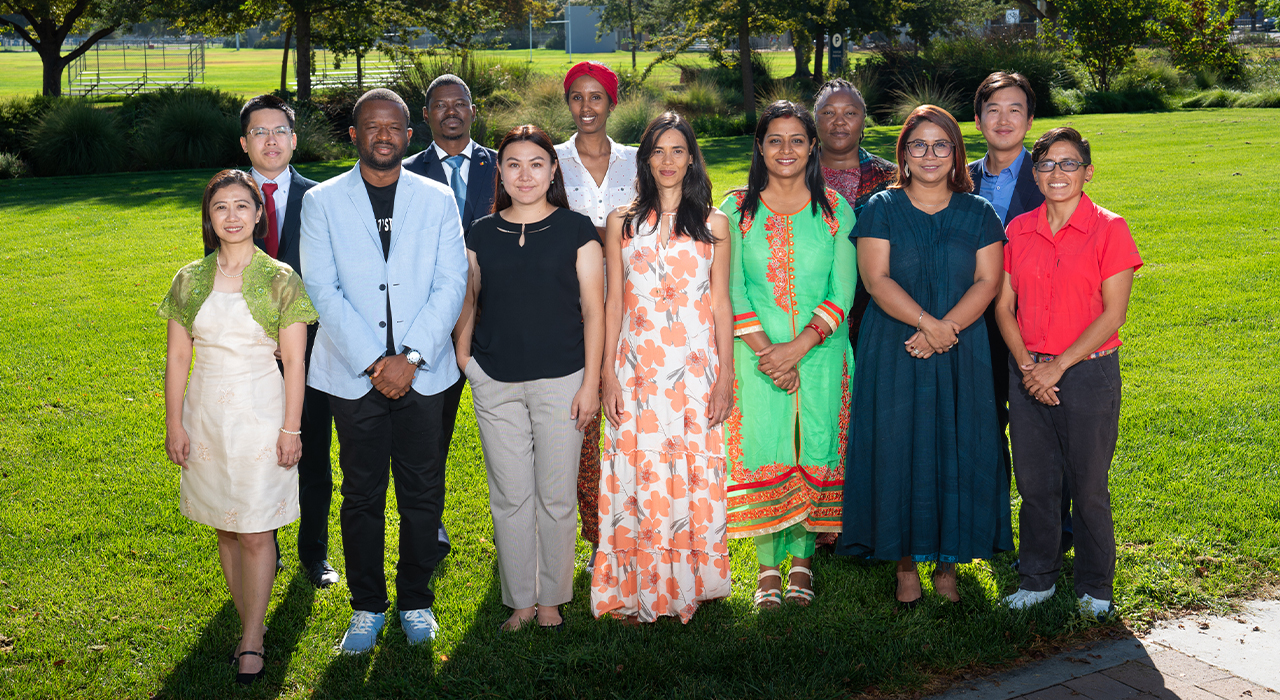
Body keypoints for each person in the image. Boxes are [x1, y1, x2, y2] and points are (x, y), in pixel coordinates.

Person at [299, 88, 467, 653]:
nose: (383, 136)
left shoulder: (438, 198)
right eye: (371, 127)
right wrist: (376, 362)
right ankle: (368, 606)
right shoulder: (321, 201)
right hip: (353, 374)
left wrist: (412, 357)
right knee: (362, 494)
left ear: (408, 134)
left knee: (423, 491)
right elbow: (321, 289)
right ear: (354, 135)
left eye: (392, 126)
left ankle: (416, 600)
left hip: (425, 373)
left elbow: (451, 284)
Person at [836, 105, 1012, 605]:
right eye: (919, 145)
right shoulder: (880, 207)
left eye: (941, 145)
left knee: (958, 444)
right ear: (904, 155)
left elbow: (988, 281)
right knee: (898, 447)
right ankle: (905, 563)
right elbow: (876, 279)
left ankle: (950, 565)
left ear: (956, 154)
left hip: (962, 347)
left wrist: (947, 329)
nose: (930, 155)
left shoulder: (979, 213)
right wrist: (928, 326)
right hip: (895, 345)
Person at [160, 169, 317, 685]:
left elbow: (295, 363)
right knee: (225, 525)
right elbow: (178, 357)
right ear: (209, 217)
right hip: (205, 413)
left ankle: (252, 635)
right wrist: (174, 425)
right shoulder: (189, 278)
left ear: (258, 213)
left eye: (241, 206)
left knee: (254, 528)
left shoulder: (280, 279)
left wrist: (290, 429)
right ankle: (247, 611)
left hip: (260, 412)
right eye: (220, 207)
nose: (231, 216)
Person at [456, 124, 604, 632]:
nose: (525, 174)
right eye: (513, 164)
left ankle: (551, 602)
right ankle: (521, 600)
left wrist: (590, 385)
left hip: (564, 379)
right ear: (499, 171)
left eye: (536, 164)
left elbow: (594, 310)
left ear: (553, 171)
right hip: (494, 380)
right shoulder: (479, 231)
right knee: (510, 495)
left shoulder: (577, 229)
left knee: (556, 496)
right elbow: (469, 301)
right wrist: (465, 361)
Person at [592, 112, 734, 623]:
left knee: (692, 473)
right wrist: (608, 373)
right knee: (639, 472)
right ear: (645, 159)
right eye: (658, 151)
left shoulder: (714, 223)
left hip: (696, 371)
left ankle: (690, 584)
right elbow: (614, 303)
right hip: (636, 368)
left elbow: (721, 304)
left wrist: (727, 377)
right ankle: (634, 588)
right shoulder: (621, 223)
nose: (668, 161)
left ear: (692, 157)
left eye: (678, 151)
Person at [995, 127, 1141, 618]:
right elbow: (1003, 307)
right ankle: (1037, 579)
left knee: (1088, 485)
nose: (1057, 173)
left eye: (1069, 163)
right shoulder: (1018, 230)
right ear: (1034, 175)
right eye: (1047, 165)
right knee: (1035, 483)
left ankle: (1096, 587)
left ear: (1088, 171)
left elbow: (1112, 315)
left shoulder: (1110, 228)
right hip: (1028, 371)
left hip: (1087, 374)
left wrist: (1056, 367)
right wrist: (1026, 367)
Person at [719, 101, 857, 609]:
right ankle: (765, 570)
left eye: (797, 140)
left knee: (812, 448)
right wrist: (768, 354)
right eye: (775, 140)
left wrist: (797, 349)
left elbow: (843, 290)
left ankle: (802, 562)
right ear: (759, 147)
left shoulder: (836, 211)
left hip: (822, 357)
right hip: (754, 358)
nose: (786, 150)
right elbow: (731, 291)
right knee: (767, 450)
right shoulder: (735, 210)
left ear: (812, 146)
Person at [219, 94, 337, 588]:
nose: (271, 141)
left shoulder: (325, 197)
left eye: (279, 131)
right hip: (245, 357)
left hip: (308, 351)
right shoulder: (227, 199)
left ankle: (314, 553)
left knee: (309, 451)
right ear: (245, 143)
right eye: (259, 133)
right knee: (249, 451)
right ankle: (259, 542)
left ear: (293, 139)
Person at [966, 72, 1066, 558]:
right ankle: (991, 529)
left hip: (1036, 327)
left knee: (1042, 435)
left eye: (1014, 109)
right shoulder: (955, 175)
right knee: (982, 431)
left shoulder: (1047, 175)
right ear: (978, 116)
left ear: (1029, 119)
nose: (1003, 119)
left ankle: (1055, 533)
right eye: (993, 109)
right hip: (968, 328)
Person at [402, 73, 499, 569]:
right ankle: (428, 523)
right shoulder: (405, 173)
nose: (451, 112)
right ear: (426, 116)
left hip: (498, 321)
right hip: (432, 324)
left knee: (505, 430)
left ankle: (515, 528)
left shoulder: (503, 167)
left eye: (459, 103)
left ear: (472, 111)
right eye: (440, 106)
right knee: (429, 431)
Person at [555, 61, 639, 567]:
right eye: (577, 98)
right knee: (579, 423)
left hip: (636, 306)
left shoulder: (638, 161)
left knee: (625, 418)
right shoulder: (553, 160)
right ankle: (588, 535)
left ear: (612, 103)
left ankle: (628, 524)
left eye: (596, 98)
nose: (586, 108)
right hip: (568, 305)